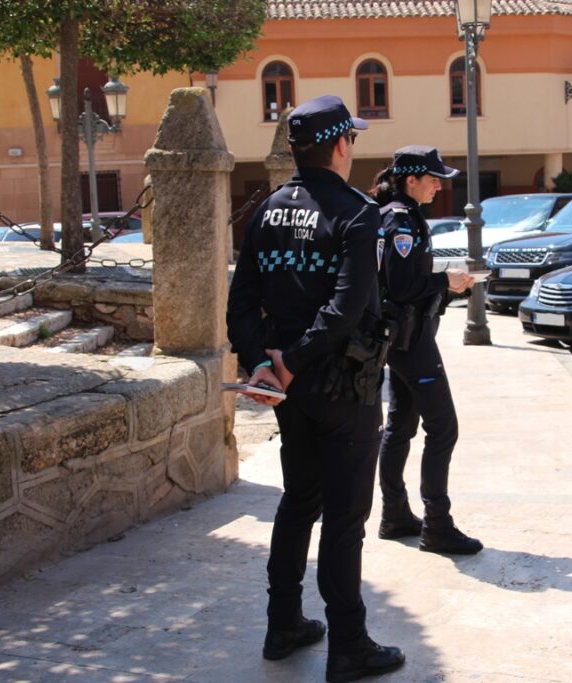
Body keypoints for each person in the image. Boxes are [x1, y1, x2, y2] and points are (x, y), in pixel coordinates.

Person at [226, 95, 405, 683]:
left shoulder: (268, 210)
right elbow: (348, 305)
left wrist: (262, 365)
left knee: (300, 500)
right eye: (352, 138)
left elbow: (241, 301)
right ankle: (349, 646)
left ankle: (283, 625)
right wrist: (295, 363)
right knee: (345, 518)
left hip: (288, 391)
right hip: (341, 389)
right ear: (341, 145)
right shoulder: (358, 213)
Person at [371, 145, 483, 555]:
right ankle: (437, 524)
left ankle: (395, 514)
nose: (439, 185)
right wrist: (445, 282)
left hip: (404, 338)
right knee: (443, 428)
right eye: (433, 178)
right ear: (410, 179)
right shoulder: (400, 220)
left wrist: (444, 285)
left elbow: (402, 281)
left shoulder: (399, 215)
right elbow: (400, 288)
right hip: (410, 340)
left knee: (401, 425)